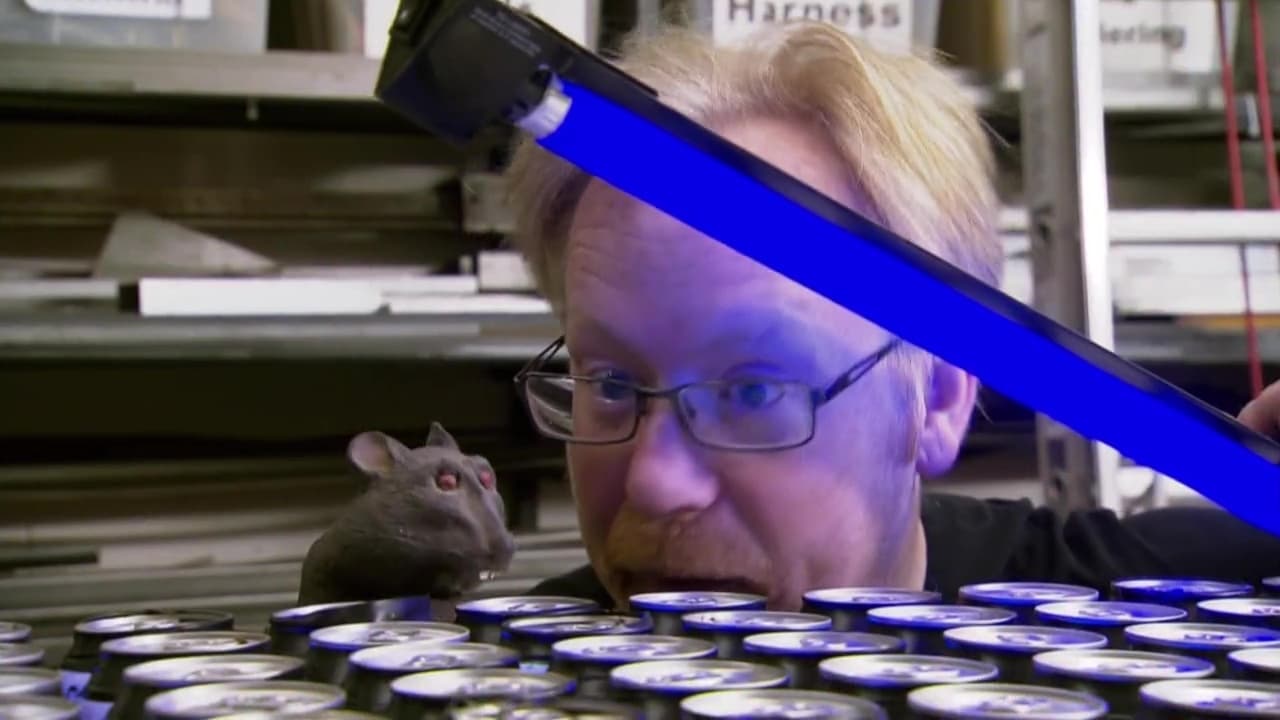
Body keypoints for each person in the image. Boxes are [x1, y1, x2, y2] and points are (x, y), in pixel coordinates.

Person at [500, 21, 1280, 611]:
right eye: (610, 383)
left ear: (936, 398)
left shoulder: (1144, 609)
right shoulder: (517, 667)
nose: (654, 483)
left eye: (752, 389)